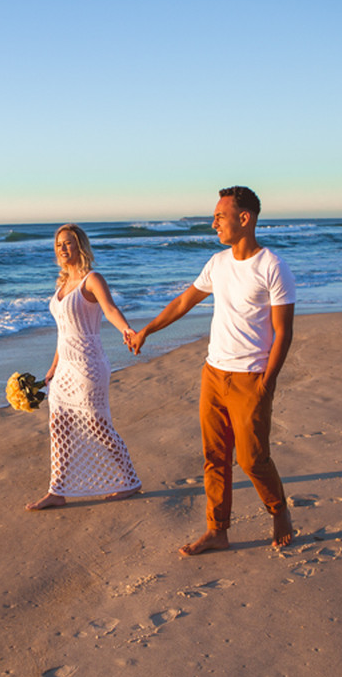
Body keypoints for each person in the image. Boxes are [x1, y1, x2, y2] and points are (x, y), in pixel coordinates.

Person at [126, 187, 296, 554]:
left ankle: (279, 509)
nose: (214, 222)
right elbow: (185, 301)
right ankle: (217, 530)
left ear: (244, 218)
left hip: (251, 376)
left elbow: (284, 331)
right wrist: (147, 331)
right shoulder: (217, 263)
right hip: (213, 373)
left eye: (221, 216)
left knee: (252, 459)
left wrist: (267, 382)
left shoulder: (272, 266)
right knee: (214, 457)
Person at [26, 224, 143, 511]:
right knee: (58, 425)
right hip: (64, 366)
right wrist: (53, 367)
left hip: (89, 364)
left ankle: (130, 479)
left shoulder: (91, 280)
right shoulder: (61, 286)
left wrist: (127, 330)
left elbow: (110, 309)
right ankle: (58, 489)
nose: (62, 249)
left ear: (81, 246)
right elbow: (63, 332)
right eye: (58, 245)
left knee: (97, 423)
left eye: (68, 243)